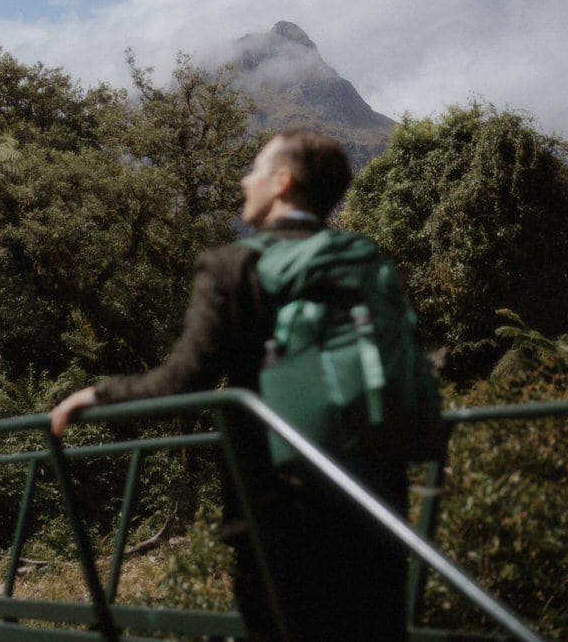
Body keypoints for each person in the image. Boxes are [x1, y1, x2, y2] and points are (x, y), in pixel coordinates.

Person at [49, 130, 410, 642]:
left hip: (280, 507)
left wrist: (97, 394)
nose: (245, 180)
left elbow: (181, 380)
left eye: (256, 169)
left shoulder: (234, 268)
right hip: (374, 493)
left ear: (282, 183)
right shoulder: (367, 260)